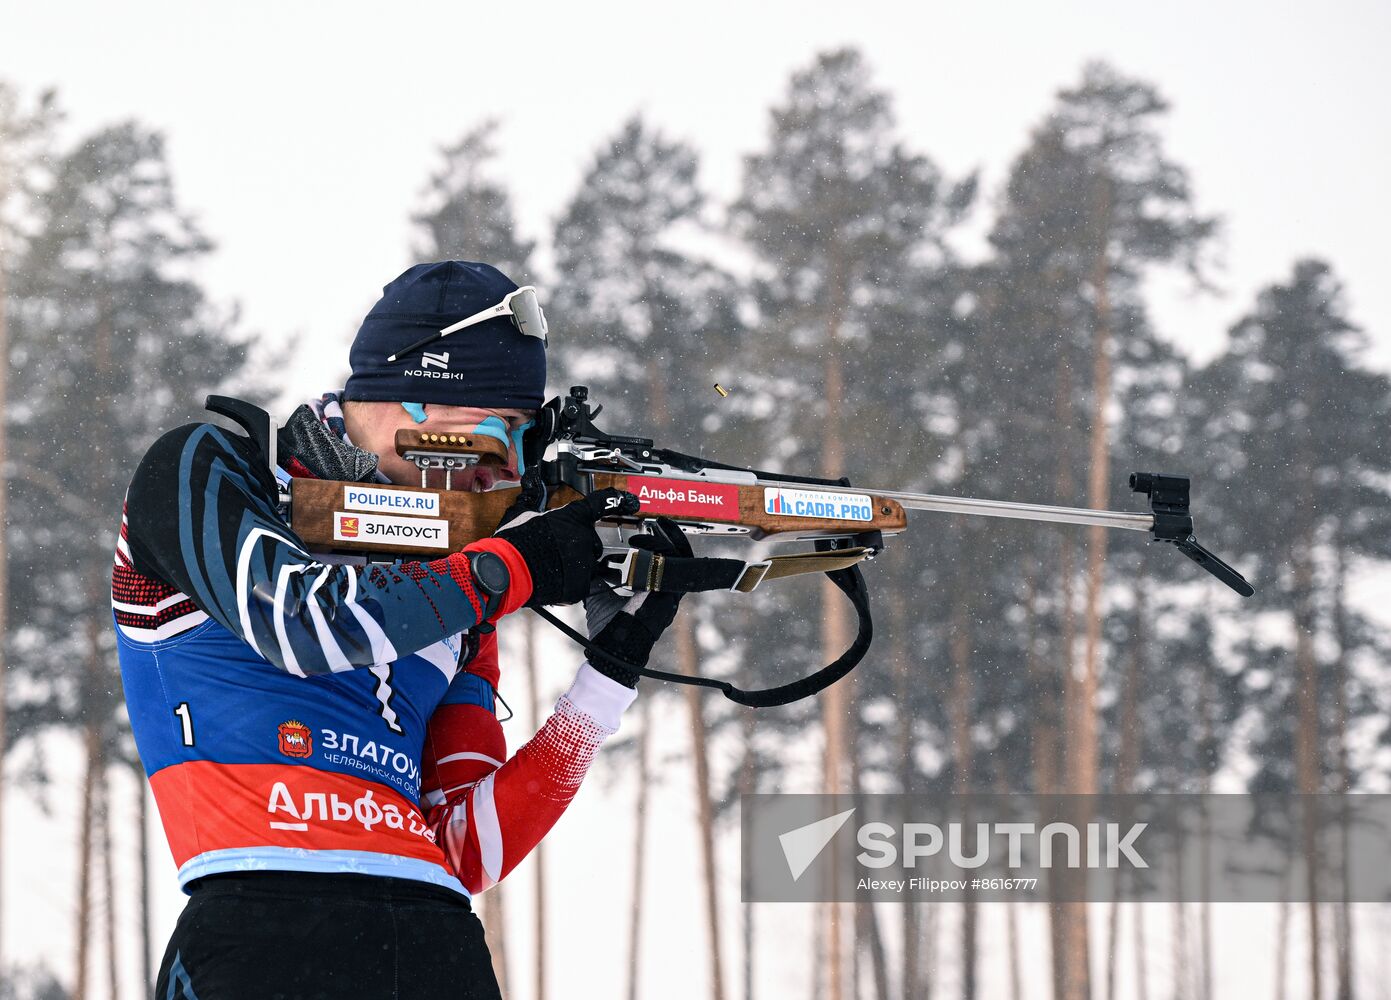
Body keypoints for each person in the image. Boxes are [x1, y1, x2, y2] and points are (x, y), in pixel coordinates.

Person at [113, 261, 686, 999]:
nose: (496, 477)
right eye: (490, 437)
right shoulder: (211, 466)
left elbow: (467, 848)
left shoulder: (452, 588)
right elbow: (300, 622)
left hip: (438, 942)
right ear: (413, 400)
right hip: (262, 924)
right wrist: (518, 565)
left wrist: (605, 680)